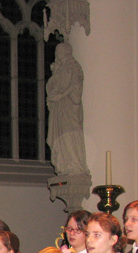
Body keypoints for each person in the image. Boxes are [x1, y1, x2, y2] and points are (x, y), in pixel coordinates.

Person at [45, 42, 89, 176]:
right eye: (56, 51)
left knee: (70, 134)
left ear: (66, 52)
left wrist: (61, 95)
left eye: (59, 50)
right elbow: (52, 85)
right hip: (59, 108)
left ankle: (75, 164)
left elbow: (75, 85)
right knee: (60, 137)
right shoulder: (59, 68)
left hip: (69, 107)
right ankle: (64, 165)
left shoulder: (74, 67)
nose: (57, 53)